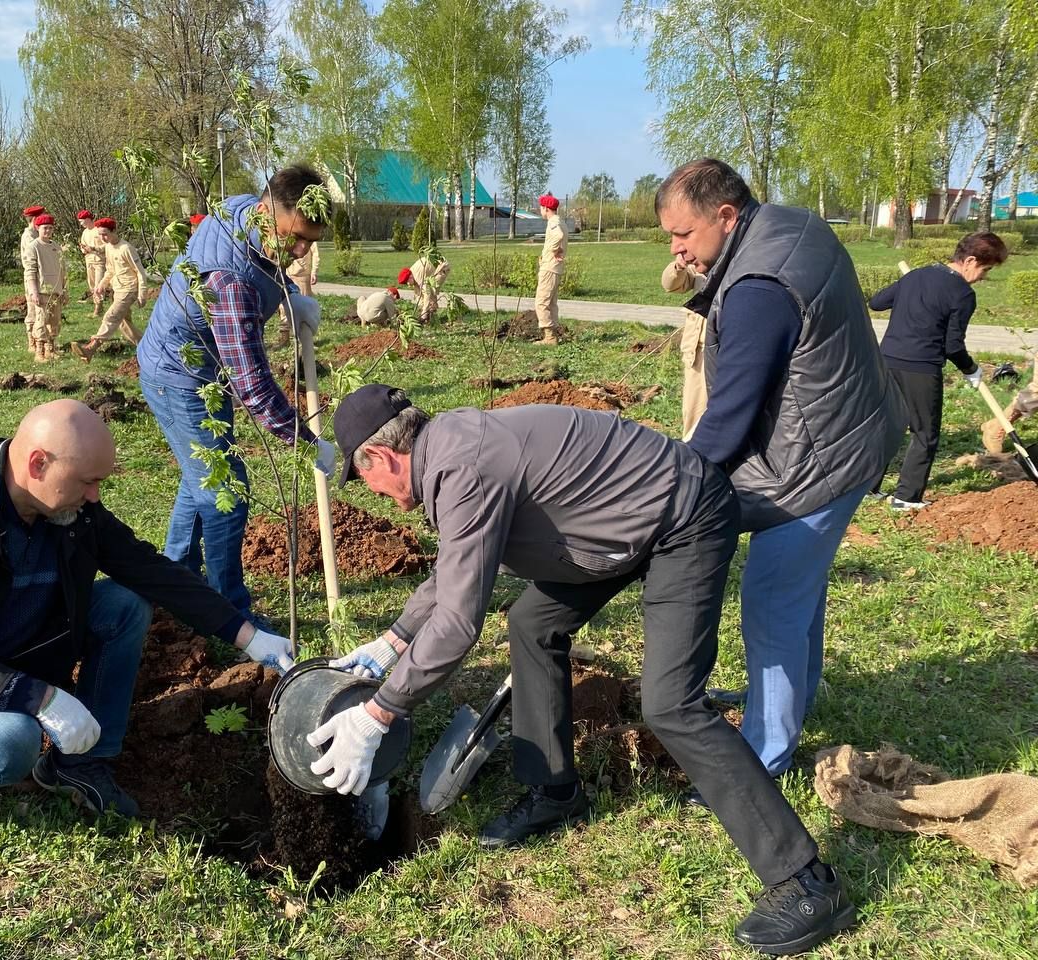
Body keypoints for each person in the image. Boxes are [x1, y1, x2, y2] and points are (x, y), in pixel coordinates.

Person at [314, 384, 858, 955]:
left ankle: (805, 882)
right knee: (532, 623)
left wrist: (378, 713)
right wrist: (393, 640)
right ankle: (553, 790)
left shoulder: (462, 468)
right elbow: (457, 567)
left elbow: (456, 622)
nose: (371, 493)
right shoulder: (449, 449)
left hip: (680, 517)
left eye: (363, 478)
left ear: (380, 456)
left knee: (671, 703)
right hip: (612, 528)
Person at [0, 399, 295, 820]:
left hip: (2, 650)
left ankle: (80, 764)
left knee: (123, 605)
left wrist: (248, 636)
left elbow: (149, 569)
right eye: (87, 482)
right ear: (37, 463)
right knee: (9, 746)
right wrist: (41, 698)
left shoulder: (67, 509)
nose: (95, 497)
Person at [655, 158, 904, 784]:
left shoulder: (758, 288)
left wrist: (671, 490)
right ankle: (786, 704)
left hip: (819, 463)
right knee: (798, 593)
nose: (676, 249)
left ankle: (763, 759)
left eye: (683, 235)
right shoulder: (789, 225)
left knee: (771, 595)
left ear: (726, 216)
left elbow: (730, 413)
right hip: (853, 430)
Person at [137, 165, 335, 614]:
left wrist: (287, 292)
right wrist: (306, 442)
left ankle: (176, 581)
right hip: (179, 374)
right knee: (226, 486)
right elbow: (253, 384)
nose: (302, 251)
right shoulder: (229, 282)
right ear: (268, 212)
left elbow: (266, 261)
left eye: (312, 242)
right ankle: (228, 609)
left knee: (203, 473)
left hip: (201, 369)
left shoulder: (241, 208)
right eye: (296, 236)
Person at [870, 232, 1009, 510]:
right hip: (920, 368)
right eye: (985, 269)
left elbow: (876, 302)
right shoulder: (962, 294)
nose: (983, 276)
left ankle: (866, 488)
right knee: (925, 433)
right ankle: (906, 498)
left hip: (886, 361)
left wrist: (911, 295)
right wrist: (971, 369)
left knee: (886, 427)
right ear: (970, 261)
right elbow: (953, 345)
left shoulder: (916, 276)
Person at [72, 217, 147, 362]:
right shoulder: (108, 247)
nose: (102, 238)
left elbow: (140, 272)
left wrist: (142, 294)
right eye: (100, 234)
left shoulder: (126, 248)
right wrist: (101, 284)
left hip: (129, 289)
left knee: (111, 316)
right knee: (124, 324)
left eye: (105, 234)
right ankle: (147, 347)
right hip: (117, 289)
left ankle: (90, 348)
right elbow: (110, 270)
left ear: (113, 231)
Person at [661, 255, 707, 439]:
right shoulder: (701, 253)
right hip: (698, 352)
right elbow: (671, 284)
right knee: (695, 416)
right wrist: (679, 266)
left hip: (725, 349)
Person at [23, 214, 67, 362]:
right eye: (44, 228)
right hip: (42, 291)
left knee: (55, 321)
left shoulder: (56, 247)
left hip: (56, 291)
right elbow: (30, 271)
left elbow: (63, 270)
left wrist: (64, 290)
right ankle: (39, 352)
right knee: (41, 321)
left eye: (50, 228)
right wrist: (33, 292)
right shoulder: (33, 247)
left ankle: (51, 348)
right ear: (37, 228)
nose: (47, 231)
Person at [534, 193, 567, 345]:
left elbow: (558, 236)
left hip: (549, 267)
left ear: (546, 208)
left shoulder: (553, 222)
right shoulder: (560, 221)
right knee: (551, 303)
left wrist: (553, 251)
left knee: (541, 302)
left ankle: (550, 337)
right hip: (556, 268)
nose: (540, 210)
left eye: (541, 208)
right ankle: (553, 334)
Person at [276, 240, 319, 348]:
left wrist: (314, 272)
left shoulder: (309, 237)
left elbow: (316, 255)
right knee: (284, 309)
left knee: (304, 309)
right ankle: (284, 338)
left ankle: (305, 341)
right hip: (288, 275)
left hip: (303, 277)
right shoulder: (287, 235)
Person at [19, 205, 47, 351]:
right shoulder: (29, 236)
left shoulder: (38, 234)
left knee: (43, 310)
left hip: (43, 277)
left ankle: (43, 340)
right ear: (35, 219)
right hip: (32, 277)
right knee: (33, 309)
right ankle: (32, 341)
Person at [397, 255, 450, 325]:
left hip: (442, 267)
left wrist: (424, 311)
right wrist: (421, 307)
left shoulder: (417, 276)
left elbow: (427, 293)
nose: (408, 284)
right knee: (422, 291)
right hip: (431, 271)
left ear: (410, 277)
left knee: (431, 290)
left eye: (407, 282)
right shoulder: (412, 273)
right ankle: (427, 314)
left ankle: (431, 317)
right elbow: (418, 293)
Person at [77, 210, 106, 319]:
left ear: (88, 219)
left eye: (82, 221)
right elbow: (83, 245)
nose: (81, 224)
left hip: (99, 261)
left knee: (99, 285)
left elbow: (106, 245)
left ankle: (98, 309)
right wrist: (84, 249)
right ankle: (99, 306)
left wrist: (94, 248)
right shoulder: (85, 232)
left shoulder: (98, 230)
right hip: (89, 261)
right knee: (92, 285)